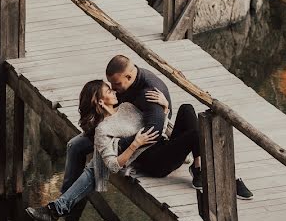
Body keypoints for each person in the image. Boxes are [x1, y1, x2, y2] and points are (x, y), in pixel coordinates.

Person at [105, 55, 253, 199]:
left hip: (158, 158)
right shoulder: (127, 86)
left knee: (187, 109)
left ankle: (200, 166)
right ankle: (213, 172)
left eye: (116, 84)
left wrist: (164, 110)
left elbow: (153, 133)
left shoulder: (150, 92)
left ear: (129, 77)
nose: (113, 88)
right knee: (196, 134)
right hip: (151, 160)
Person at [26, 80, 160, 221]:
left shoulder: (127, 102)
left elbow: (114, 163)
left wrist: (163, 107)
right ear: (100, 102)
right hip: (114, 132)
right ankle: (66, 198)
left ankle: (58, 208)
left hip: (132, 146)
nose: (114, 91)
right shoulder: (106, 121)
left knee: (95, 165)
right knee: (74, 145)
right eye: (109, 91)